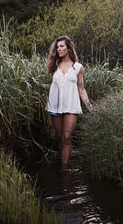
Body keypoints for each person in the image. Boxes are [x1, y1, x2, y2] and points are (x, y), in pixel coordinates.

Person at [37, 36, 92, 171]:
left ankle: (64, 169)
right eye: (57, 47)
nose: (59, 49)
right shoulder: (53, 66)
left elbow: (81, 89)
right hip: (55, 106)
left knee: (67, 137)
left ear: (68, 48)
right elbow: (51, 86)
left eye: (61, 46)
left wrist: (89, 106)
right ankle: (62, 160)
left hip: (71, 106)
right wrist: (38, 84)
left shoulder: (78, 67)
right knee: (61, 137)